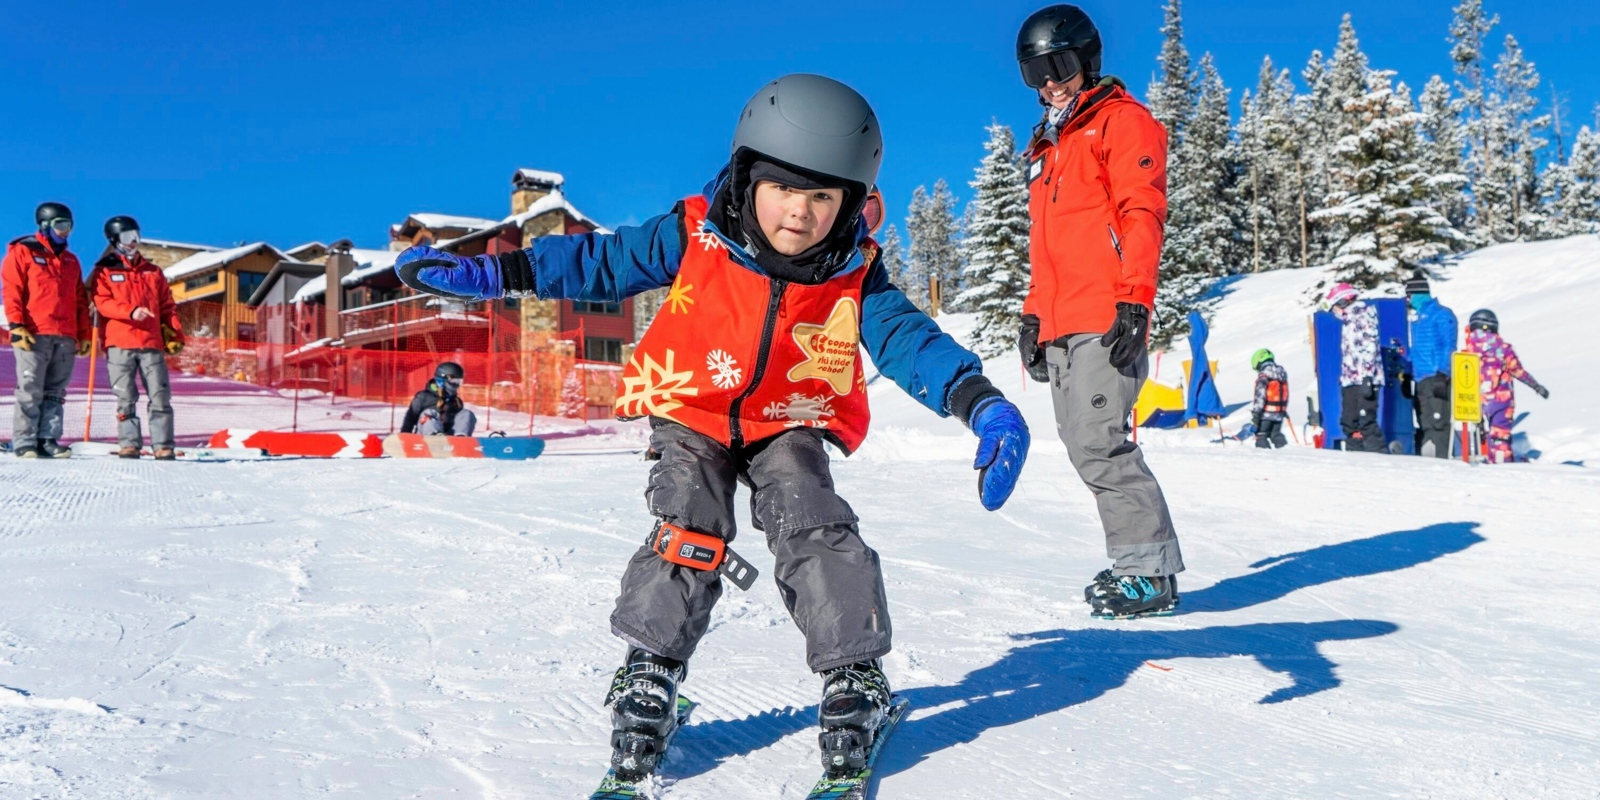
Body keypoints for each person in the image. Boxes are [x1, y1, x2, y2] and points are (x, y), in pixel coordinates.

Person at [393, 73, 1030, 781]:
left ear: (851, 202)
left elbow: (910, 340)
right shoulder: (695, 235)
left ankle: (855, 674)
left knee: (811, 521)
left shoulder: (853, 272)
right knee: (689, 526)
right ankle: (652, 667)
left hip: (788, 419)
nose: (800, 213)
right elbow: (599, 261)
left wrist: (979, 400)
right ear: (749, 175)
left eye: (823, 197)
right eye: (786, 188)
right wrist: (497, 273)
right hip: (691, 409)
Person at [1012, 4, 1183, 619]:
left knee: (1098, 442)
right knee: (1082, 442)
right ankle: (1140, 562)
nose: (1051, 83)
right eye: (1036, 73)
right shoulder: (1048, 146)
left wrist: (1135, 298)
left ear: (1087, 59)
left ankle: (1149, 573)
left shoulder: (1122, 123)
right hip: (1063, 320)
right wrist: (1035, 317)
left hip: (1106, 312)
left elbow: (1142, 213)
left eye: (1059, 65)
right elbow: (1044, 241)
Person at [89, 216, 184, 460]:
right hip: (120, 343)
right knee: (125, 396)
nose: (133, 242)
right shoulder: (105, 270)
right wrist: (130, 311)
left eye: (136, 236)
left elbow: (167, 305)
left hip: (151, 343)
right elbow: (102, 302)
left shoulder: (152, 271)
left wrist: (174, 333)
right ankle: (129, 443)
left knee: (160, 395)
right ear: (114, 240)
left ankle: (163, 445)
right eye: (127, 237)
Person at [3, 202, 92, 458]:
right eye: (60, 225)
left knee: (55, 391)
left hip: (64, 334)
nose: (66, 231)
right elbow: (12, 291)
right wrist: (17, 325)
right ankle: (24, 441)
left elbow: (79, 301)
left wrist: (84, 334)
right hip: (33, 332)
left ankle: (47, 439)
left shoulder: (71, 261)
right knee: (30, 387)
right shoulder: (23, 253)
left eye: (69, 226)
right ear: (45, 224)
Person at [1464, 309, 1548, 464]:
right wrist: (1536, 386)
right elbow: (1517, 371)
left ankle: (1487, 459)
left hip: (1476, 399)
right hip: (1502, 400)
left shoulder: (1468, 351)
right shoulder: (1504, 349)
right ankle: (1502, 464)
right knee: (1499, 435)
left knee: (1480, 433)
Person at [1326, 282, 1386, 453]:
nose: (1334, 312)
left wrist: (1368, 377)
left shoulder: (1362, 317)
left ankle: (1379, 456)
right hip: (1350, 379)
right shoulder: (1348, 322)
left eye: (1335, 307)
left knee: (1365, 419)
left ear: (1344, 302)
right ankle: (1357, 457)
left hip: (1365, 378)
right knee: (1349, 422)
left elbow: (1370, 346)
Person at [1402, 272, 1457, 458]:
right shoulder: (1417, 320)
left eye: (1409, 295)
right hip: (1420, 378)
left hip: (1436, 376)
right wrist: (1406, 371)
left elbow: (1449, 345)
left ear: (1418, 293)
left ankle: (1443, 459)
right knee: (1424, 421)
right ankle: (1427, 463)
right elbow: (1415, 350)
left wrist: (1444, 372)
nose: (1408, 300)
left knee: (1438, 421)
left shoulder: (1441, 314)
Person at [399, 362, 477, 436]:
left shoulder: (456, 401)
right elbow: (410, 418)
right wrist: (403, 438)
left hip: (449, 438)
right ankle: (435, 437)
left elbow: (460, 422)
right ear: (442, 381)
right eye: (453, 381)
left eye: (459, 382)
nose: (456, 385)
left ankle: (461, 438)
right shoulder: (423, 397)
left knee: (466, 413)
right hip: (424, 436)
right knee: (429, 413)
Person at [1249, 348, 1290, 449]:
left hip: (1265, 414)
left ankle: (1265, 459)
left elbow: (1260, 398)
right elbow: (1285, 394)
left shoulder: (1263, 378)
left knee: (1261, 436)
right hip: (1279, 413)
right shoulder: (1282, 376)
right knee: (1276, 435)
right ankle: (1285, 452)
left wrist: (1255, 416)